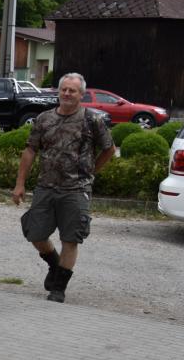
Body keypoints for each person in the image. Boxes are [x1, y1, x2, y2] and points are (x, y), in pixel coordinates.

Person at [12, 72, 115, 303]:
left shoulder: (92, 120)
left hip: (76, 190)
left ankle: (58, 288)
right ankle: (54, 263)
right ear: (59, 92)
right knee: (35, 234)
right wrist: (20, 184)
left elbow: (109, 148)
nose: (67, 94)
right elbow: (30, 150)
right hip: (46, 187)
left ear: (81, 94)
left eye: (72, 91)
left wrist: (92, 172)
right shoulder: (44, 119)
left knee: (71, 239)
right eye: (64, 90)